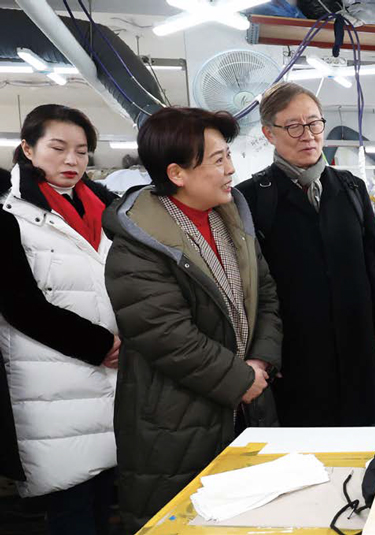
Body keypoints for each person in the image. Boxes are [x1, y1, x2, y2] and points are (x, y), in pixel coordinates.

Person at [102, 107, 282, 531]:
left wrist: (259, 363)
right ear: (177, 173)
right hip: (174, 419)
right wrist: (241, 378)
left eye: (228, 156)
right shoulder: (139, 244)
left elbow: (267, 297)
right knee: (185, 521)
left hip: (249, 403)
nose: (231, 169)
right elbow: (166, 335)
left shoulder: (233, 221)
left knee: (254, 517)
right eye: (218, 159)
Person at [237, 82, 375, 426]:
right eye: (293, 126)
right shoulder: (250, 198)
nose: (307, 135)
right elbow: (249, 288)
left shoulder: (351, 187)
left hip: (358, 352)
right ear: (269, 133)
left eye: (314, 123)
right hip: (296, 358)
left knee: (369, 451)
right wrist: (265, 354)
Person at [0, 104, 119, 534]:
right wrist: (98, 344)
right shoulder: (9, 212)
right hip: (49, 381)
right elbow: (19, 303)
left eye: (83, 151)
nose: (72, 161)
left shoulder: (108, 211)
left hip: (111, 376)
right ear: (28, 150)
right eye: (58, 148)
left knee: (105, 501)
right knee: (72, 506)